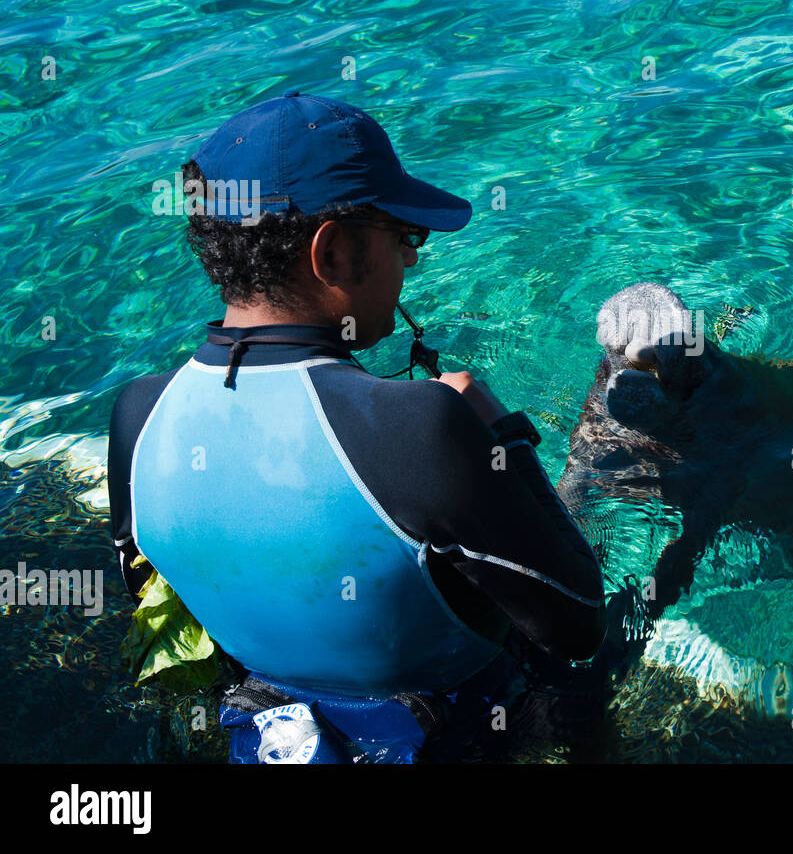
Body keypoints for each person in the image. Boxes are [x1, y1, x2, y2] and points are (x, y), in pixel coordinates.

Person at [108, 91, 605, 763]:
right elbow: (576, 620)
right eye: (404, 237)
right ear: (333, 252)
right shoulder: (422, 425)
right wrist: (501, 435)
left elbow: (156, 595)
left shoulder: (138, 418)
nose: (412, 261)